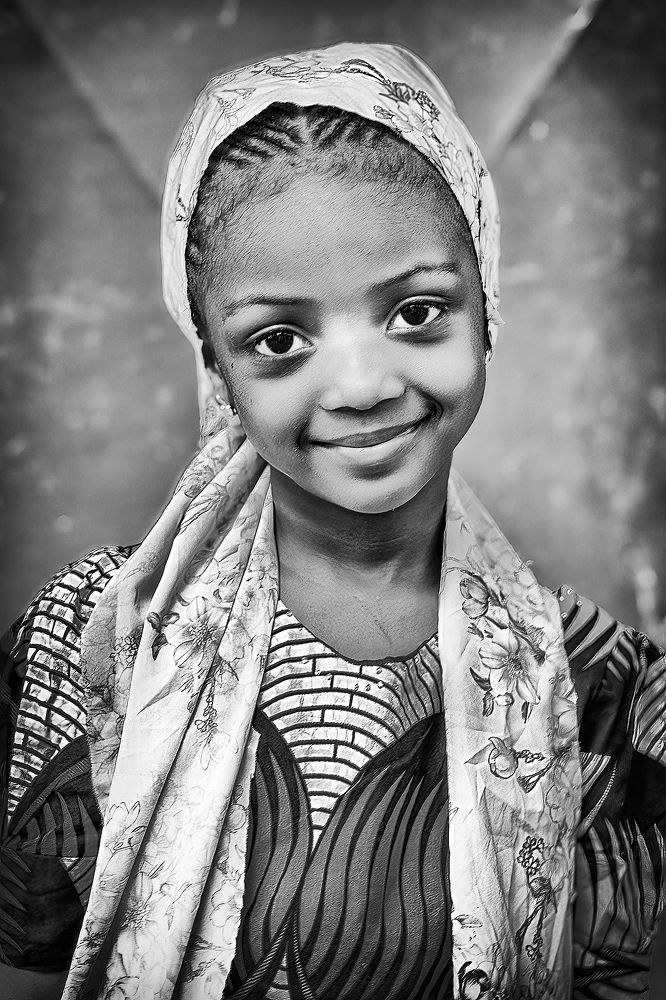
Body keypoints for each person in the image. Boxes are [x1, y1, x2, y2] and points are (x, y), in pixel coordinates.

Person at [1, 41, 664, 1000]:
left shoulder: (601, 688)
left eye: (416, 312)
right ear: (217, 371)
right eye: (278, 339)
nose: (358, 386)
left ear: (487, 309)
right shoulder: (101, 633)